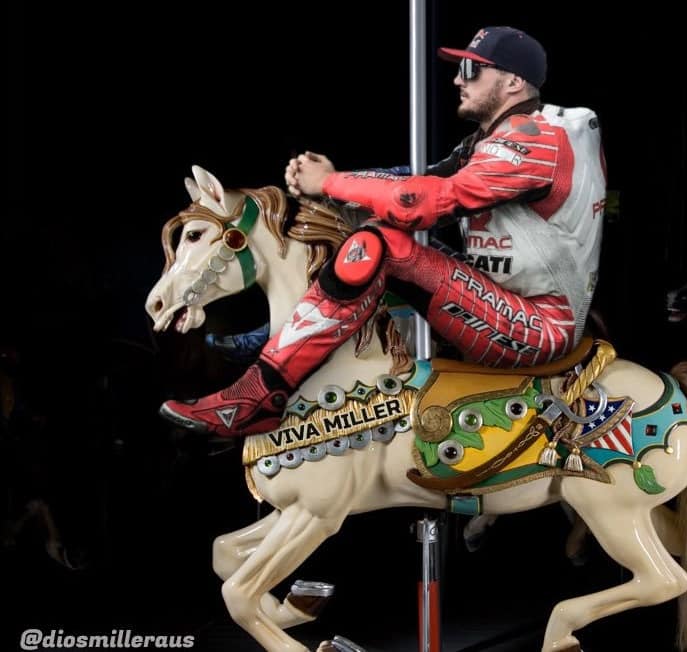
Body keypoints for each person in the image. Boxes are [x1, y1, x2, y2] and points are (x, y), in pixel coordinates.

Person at [160, 26, 607, 437]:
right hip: (508, 302)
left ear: (513, 82)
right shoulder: (494, 139)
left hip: (537, 326)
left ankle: (258, 395)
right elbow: (419, 177)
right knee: (372, 235)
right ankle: (275, 339)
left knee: (378, 245)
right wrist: (335, 185)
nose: (458, 79)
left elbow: (422, 202)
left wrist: (330, 183)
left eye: (472, 70)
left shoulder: (536, 141)